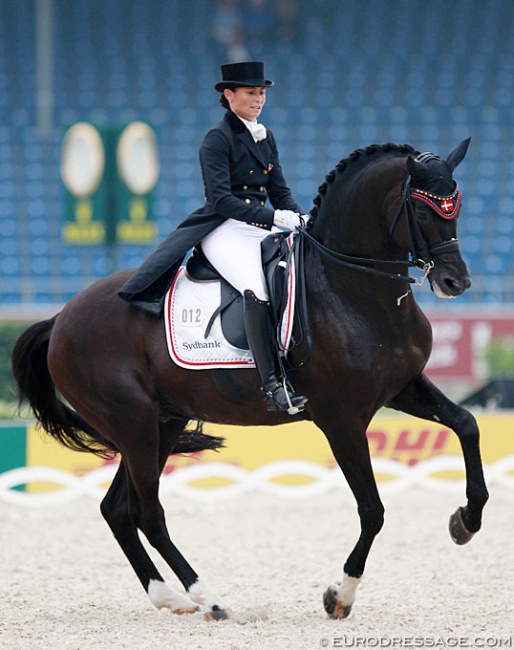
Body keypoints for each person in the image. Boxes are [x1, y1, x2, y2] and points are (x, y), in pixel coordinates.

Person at [119, 61, 308, 414]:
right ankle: (272, 386)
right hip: (223, 228)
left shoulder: (265, 136)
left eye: (262, 93)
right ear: (229, 94)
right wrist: (274, 217)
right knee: (257, 287)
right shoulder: (217, 139)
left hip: (257, 228)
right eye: (251, 93)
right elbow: (222, 200)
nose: (259, 99)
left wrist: (298, 217)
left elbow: (280, 190)